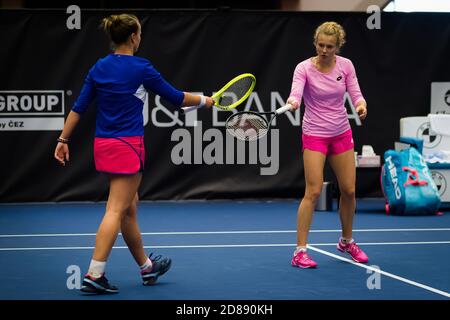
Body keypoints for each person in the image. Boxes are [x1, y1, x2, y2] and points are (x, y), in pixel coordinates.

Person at [54, 13, 215, 293]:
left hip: (103, 146)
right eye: (139, 34)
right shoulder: (141, 67)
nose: (140, 38)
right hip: (127, 146)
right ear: (133, 37)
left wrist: (63, 139)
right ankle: (95, 273)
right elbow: (176, 97)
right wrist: (205, 101)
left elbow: (79, 107)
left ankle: (146, 267)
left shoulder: (99, 67)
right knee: (116, 209)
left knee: (129, 208)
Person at [287, 21, 369, 268]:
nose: (324, 50)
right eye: (320, 45)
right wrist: (292, 101)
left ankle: (346, 241)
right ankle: (300, 251)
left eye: (330, 46)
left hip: (341, 133)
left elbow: (355, 93)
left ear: (337, 47)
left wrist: (361, 105)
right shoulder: (303, 68)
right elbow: (296, 93)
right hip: (314, 134)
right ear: (315, 43)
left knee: (349, 190)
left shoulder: (346, 66)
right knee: (312, 191)